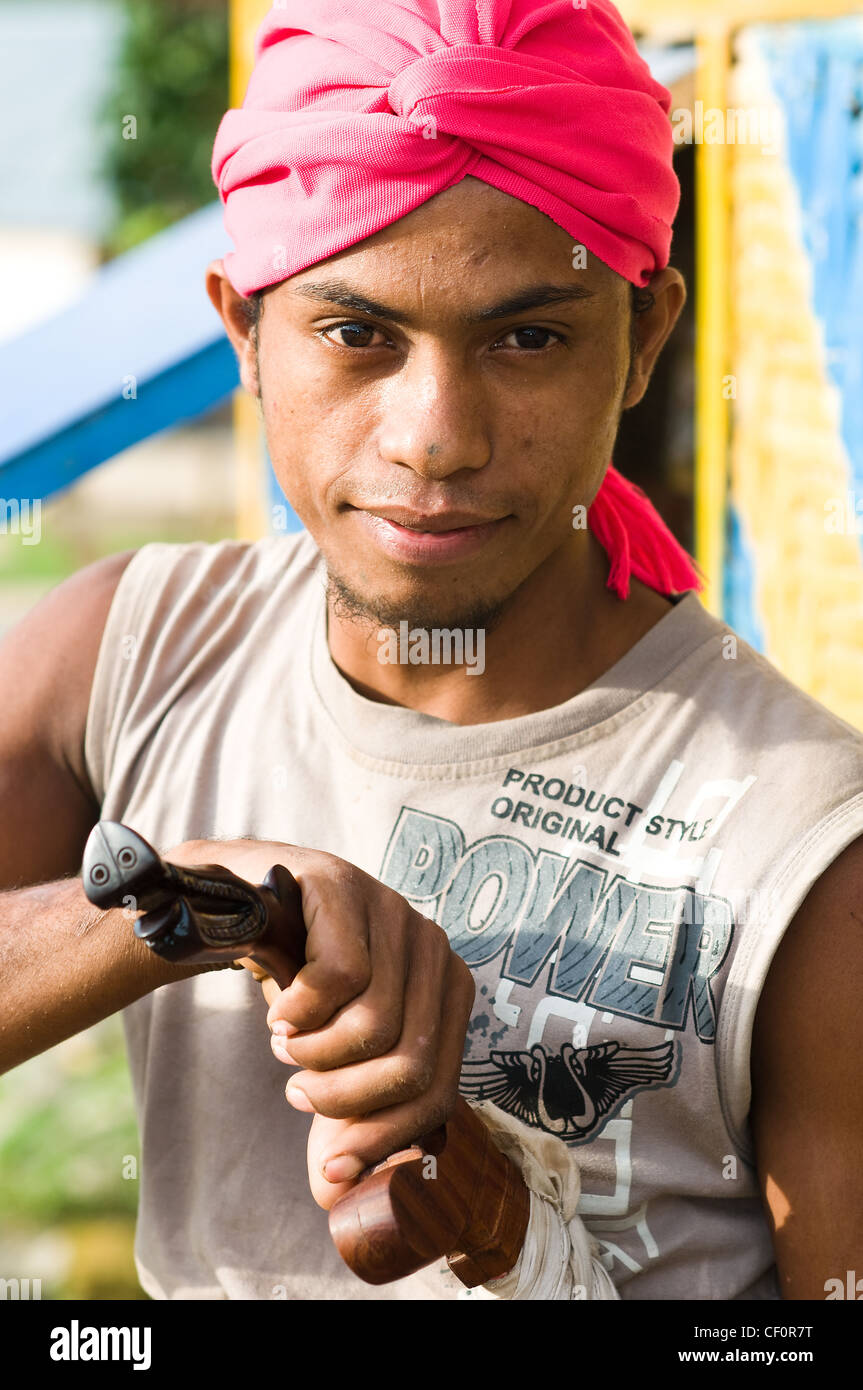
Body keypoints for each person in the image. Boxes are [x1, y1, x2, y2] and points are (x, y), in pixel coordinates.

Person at [2, 0, 862, 1301]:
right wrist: (178, 900)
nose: (435, 437)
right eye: (358, 335)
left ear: (647, 340)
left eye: (529, 336)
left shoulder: (811, 848)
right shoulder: (130, 649)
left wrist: (531, 1239)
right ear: (244, 331)